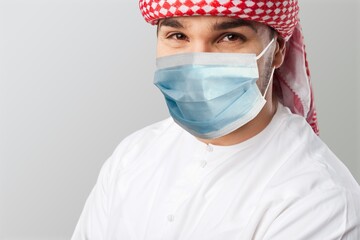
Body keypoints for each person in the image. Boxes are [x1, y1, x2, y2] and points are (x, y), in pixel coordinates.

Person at [72, 0, 360, 239]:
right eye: (178, 36)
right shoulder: (132, 156)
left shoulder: (318, 198)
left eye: (229, 37)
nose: (198, 59)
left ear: (277, 51)